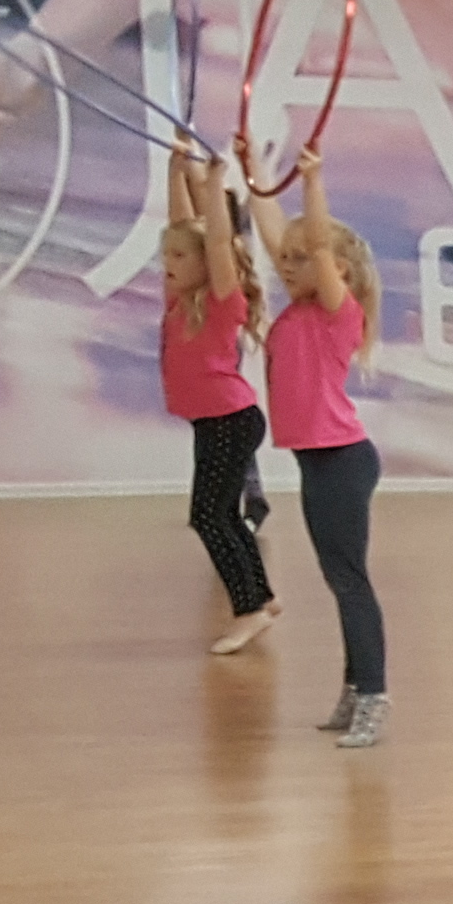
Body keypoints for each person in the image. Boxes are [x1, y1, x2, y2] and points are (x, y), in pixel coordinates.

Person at [251, 151, 388, 745]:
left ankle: (373, 696)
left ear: (338, 271)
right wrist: (255, 176)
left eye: (300, 259)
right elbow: (275, 232)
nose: (287, 265)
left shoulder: (338, 313)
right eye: (285, 259)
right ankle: (355, 689)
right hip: (319, 462)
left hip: (341, 460)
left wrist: (312, 181)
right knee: (340, 579)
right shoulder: (299, 309)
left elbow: (316, 244)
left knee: (350, 581)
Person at [152, 138, 279, 655]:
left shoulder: (223, 300)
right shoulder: (179, 297)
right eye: (166, 255)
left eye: (179, 257)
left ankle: (249, 610)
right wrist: (174, 172)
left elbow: (218, 242)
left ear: (206, 263)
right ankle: (262, 598)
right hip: (216, 420)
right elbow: (185, 227)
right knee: (222, 514)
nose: (168, 263)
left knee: (209, 516)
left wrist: (213, 185)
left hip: (230, 418)